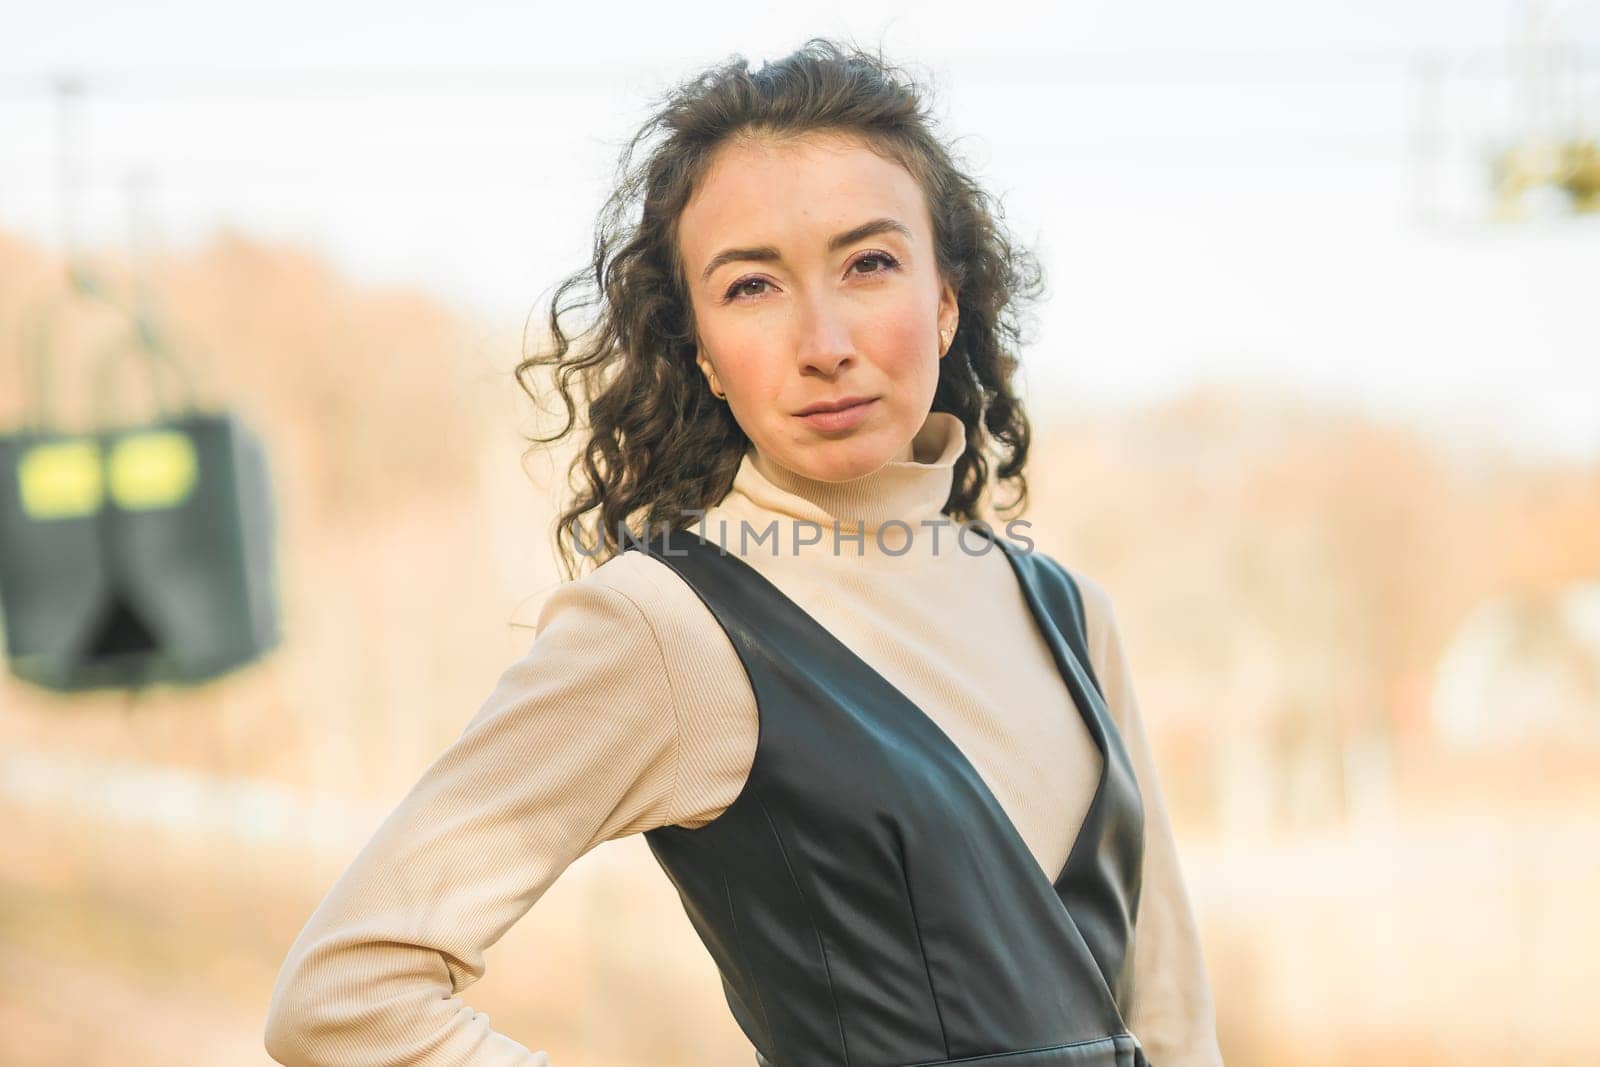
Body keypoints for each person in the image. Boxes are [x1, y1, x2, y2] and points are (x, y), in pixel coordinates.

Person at [264, 37, 1224, 1067]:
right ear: (702, 355)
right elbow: (344, 992)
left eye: (868, 264)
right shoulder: (667, 626)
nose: (823, 342)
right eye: (751, 287)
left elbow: (1171, 1020)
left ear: (945, 299)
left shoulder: (1070, 614)